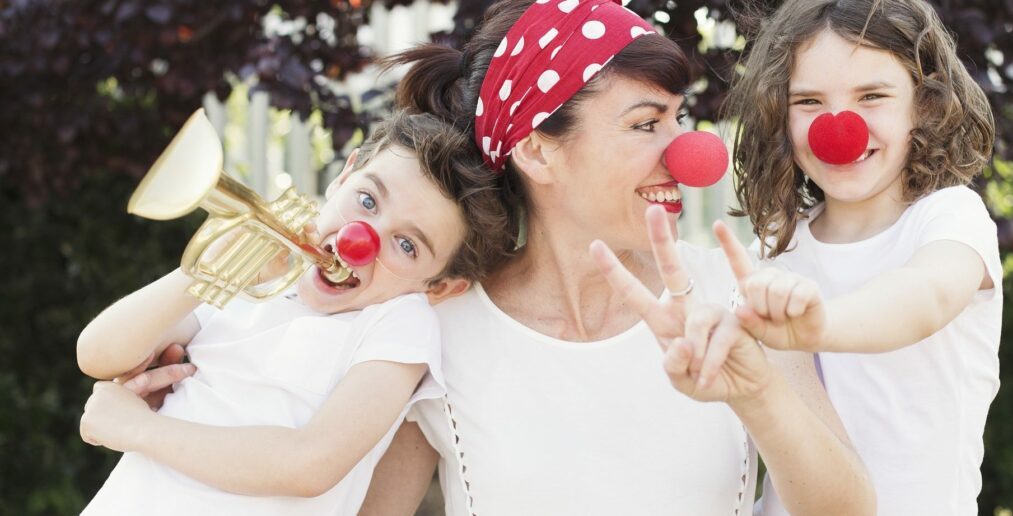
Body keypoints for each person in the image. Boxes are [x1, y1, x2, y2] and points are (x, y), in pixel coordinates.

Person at [359, 1, 875, 514]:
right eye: (645, 125)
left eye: (679, 118)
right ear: (537, 151)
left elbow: (849, 508)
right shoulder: (436, 329)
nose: (687, 155)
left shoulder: (743, 296)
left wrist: (758, 394)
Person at [75, 111, 516, 515]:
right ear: (343, 177)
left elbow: (310, 464)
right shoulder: (257, 283)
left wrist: (138, 431)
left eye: (407, 246)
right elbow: (98, 354)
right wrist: (208, 272)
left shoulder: (396, 322)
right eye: (366, 201)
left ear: (438, 287)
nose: (360, 239)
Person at [721, 0, 1001, 514]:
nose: (839, 126)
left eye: (871, 96)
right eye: (808, 101)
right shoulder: (773, 248)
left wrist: (818, 325)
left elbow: (926, 296)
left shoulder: (948, 219)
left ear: (925, 103)